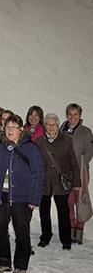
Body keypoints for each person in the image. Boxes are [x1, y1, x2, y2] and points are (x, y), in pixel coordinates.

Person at [0, 114, 44, 273]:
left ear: (20, 130)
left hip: (22, 198)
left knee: (22, 232)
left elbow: (39, 173)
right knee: (0, 230)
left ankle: (21, 265)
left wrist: (35, 198)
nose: (10, 130)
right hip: (0, 196)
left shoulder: (30, 148)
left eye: (14, 128)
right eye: (8, 127)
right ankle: (4, 263)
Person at [36, 113, 80, 250]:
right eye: (48, 124)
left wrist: (77, 182)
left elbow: (73, 161)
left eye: (54, 124)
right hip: (44, 183)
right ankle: (45, 236)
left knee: (63, 212)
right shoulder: (39, 141)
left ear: (58, 126)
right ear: (44, 126)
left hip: (61, 182)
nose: (51, 127)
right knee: (44, 212)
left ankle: (65, 240)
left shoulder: (66, 140)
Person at [60, 103, 93, 244]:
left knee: (81, 200)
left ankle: (79, 230)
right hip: (66, 173)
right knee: (68, 202)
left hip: (80, 172)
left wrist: (78, 164)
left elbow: (89, 152)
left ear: (80, 116)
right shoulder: (62, 130)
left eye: (76, 114)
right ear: (67, 115)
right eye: (70, 114)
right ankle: (71, 228)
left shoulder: (86, 132)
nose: (73, 117)